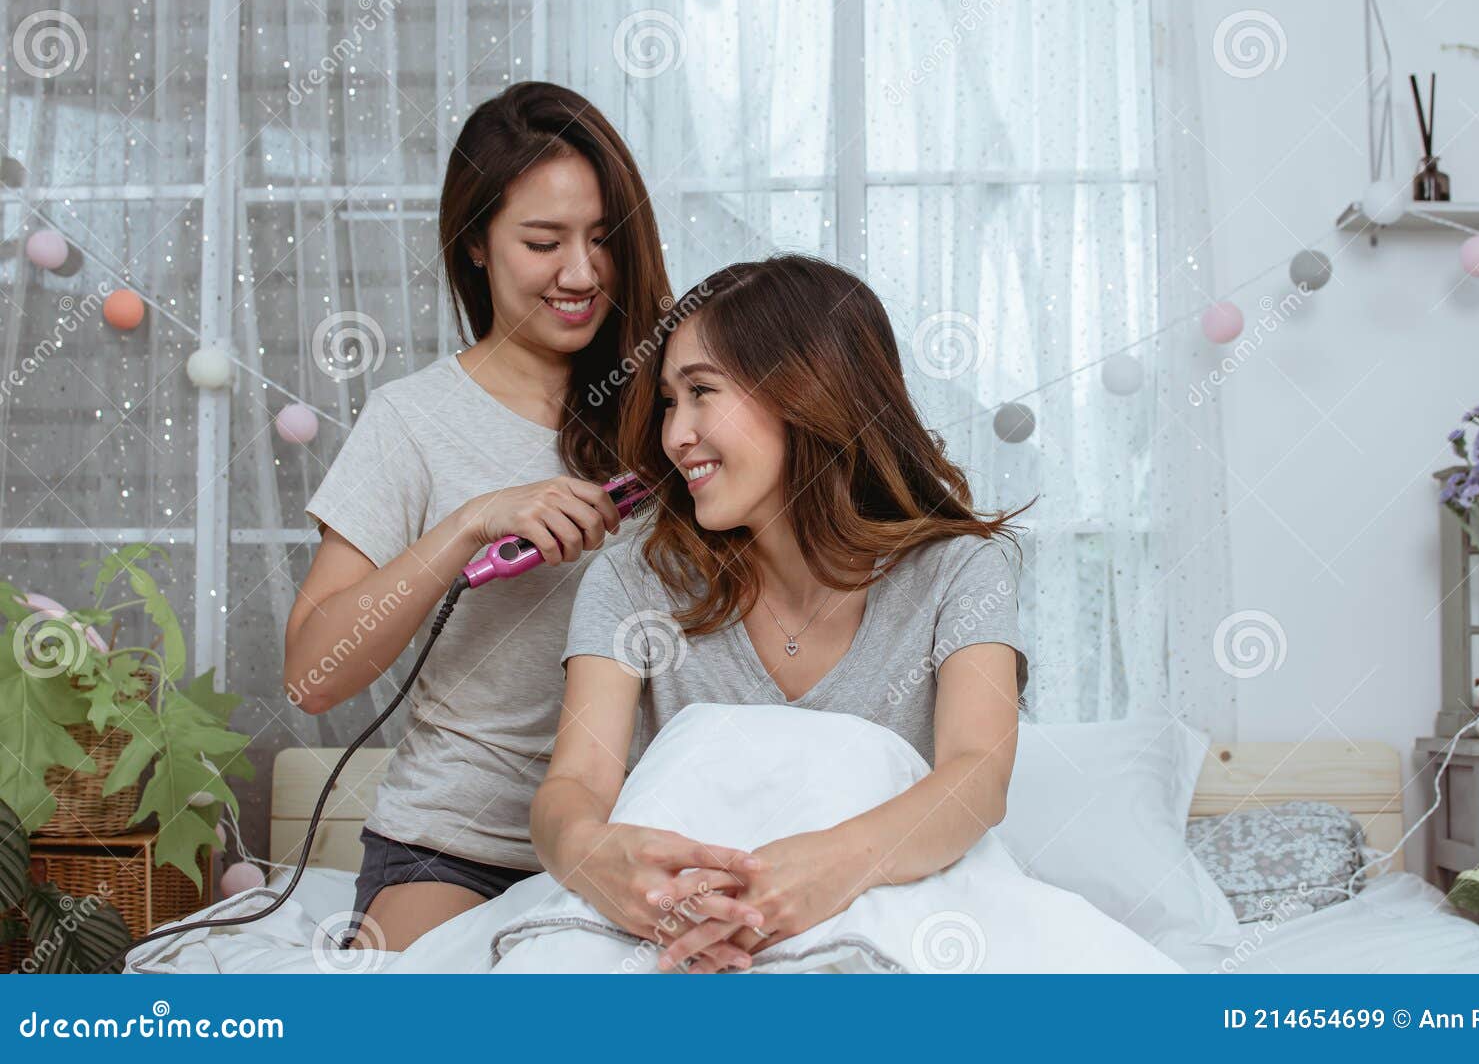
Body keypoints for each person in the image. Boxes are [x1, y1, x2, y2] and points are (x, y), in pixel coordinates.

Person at [529, 254, 1034, 972]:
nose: (675, 435)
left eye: (701, 392)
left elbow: (977, 775)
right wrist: (595, 858)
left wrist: (826, 870)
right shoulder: (633, 580)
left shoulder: (957, 572)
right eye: (670, 401)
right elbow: (573, 786)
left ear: (808, 391)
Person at [285, 81, 667, 950]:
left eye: (604, 239)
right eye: (543, 242)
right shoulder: (410, 421)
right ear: (477, 248)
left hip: (635, 836)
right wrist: (466, 523)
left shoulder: (678, 403)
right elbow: (313, 678)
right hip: (455, 848)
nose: (581, 273)